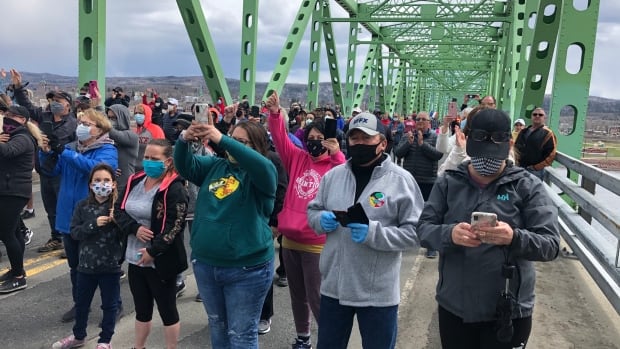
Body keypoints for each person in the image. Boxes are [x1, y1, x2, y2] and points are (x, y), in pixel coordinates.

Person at [416, 108, 560, 349]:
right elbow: (423, 230)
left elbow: (551, 245)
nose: (486, 162)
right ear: (467, 141)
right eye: (480, 153)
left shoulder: (527, 186)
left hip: (509, 311)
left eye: (494, 155)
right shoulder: (449, 182)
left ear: (509, 144)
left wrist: (514, 237)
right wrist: (449, 234)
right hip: (456, 307)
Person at [307, 112, 424, 349]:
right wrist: (321, 219)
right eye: (354, 138)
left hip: (377, 292)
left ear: (382, 143)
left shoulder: (401, 180)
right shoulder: (333, 176)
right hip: (334, 286)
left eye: (366, 138)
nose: (359, 143)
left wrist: (374, 234)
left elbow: (416, 232)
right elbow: (313, 211)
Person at [174, 116, 277, 349]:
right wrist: (183, 140)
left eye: (244, 143)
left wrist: (223, 139)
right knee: (218, 327)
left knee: (241, 333)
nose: (236, 146)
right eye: (234, 140)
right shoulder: (216, 166)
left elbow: (264, 167)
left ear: (256, 147)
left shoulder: (261, 173)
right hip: (207, 264)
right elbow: (185, 165)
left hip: (247, 268)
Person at [267, 91, 346, 348]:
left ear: (329, 140)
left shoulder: (335, 166)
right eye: (310, 138)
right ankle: (303, 338)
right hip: (291, 240)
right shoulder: (298, 159)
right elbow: (280, 139)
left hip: (317, 242)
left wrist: (337, 155)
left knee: (318, 298)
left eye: (319, 139)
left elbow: (346, 183)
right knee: (297, 296)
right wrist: (276, 113)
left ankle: (329, 340)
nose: (314, 143)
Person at [39, 108, 118, 322]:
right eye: (80, 122)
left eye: (87, 123)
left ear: (99, 129)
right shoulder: (70, 148)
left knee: (102, 265)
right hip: (69, 216)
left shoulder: (108, 150)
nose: (81, 126)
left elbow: (93, 169)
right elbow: (51, 171)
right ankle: (80, 304)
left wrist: (64, 152)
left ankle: (113, 305)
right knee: (76, 267)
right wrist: (47, 151)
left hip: (95, 216)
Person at [114, 139, 188, 349]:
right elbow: (118, 210)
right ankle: (139, 346)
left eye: (154, 159)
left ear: (168, 161)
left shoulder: (174, 189)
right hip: (134, 257)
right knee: (142, 309)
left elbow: (175, 226)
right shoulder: (135, 180)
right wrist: (134, 228)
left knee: (167, 310)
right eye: (146, 157)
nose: (148, 162)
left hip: (161, 261)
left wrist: (153, 251)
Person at [52, 164, 123, 349]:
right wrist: (93, 224)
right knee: (82, 304)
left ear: (114, 184)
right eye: (97, 180)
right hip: (85, 266)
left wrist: (118, 222)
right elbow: (74, 232)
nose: (102, 184)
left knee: (110, 305)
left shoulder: (118, 207)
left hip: (110, 267)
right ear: (90, 185)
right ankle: (78, 336)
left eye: (106, 180)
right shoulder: (83, 206)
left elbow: (126, 234)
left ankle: (105, 340)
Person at [10, 69, 77, 253]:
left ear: (68, 105)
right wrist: (17, 87)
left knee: (64, 206)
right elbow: (27, 106)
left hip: (62, 171)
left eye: (58, 101)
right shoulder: (45, 116)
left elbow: (63, 141)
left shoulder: (72, 123)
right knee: (50, 207)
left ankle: (69, 239)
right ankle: (56, 237)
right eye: (52, 100)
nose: (54, 103)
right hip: (45, 170)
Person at [0, 105, 42, 293]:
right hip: (10, 190)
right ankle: (17, 270)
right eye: (7, 115)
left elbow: (7, 152)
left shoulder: (23, 137)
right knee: (15, 233)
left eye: (14, 116)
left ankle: (19, 276)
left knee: (7, 234)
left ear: (23, 120)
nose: (8, 118)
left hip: (13, 191)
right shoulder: (14, 135)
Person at [514, 108, 557, 180]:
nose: (537, 116)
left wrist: (536, 167)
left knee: (533, 190)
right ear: (531, 117)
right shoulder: (524, 131)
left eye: (540, 115)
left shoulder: (548, 133)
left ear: (544, 118)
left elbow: (551, 154)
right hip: (520, 167)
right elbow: (516, 147)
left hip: (535, 171)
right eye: (535, 114)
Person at [106, 104, 139, 192]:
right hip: (109, 184)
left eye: (113, 118)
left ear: (122, 118)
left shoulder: (131, 136)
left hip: (125, 186)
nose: (110, 121)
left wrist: (101, 121)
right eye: (108, 118)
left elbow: (116, 135)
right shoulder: (107, 136)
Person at [134, 103, 165, 171]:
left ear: (146, 114)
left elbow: (162, 149)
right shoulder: (134, 131)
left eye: (140, 113)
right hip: (134, 168)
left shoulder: (156, 130)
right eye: (136, 113)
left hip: (149, 168)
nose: (137, 115)